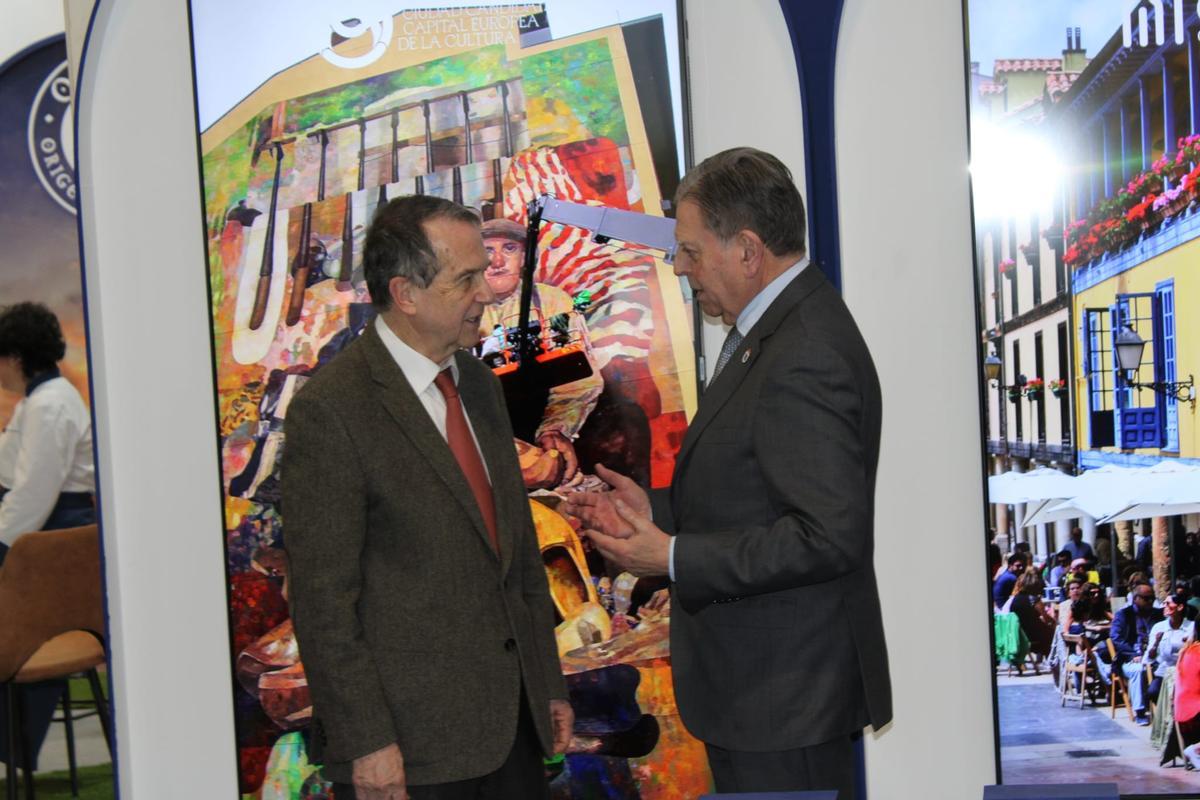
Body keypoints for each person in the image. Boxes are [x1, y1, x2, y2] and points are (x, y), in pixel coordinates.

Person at [564, 147, 890, 798]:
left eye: (689, 251)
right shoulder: (778, 333)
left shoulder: (804, 351)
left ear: (746, 250)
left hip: (784, 703)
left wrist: (672, 555)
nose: (679, 267)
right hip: (767, 698)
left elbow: (828, 536)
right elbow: (749, 492)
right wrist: (651, 512)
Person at [281, 196, 572, 800]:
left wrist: (547, 686)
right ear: (405, 293)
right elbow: (323, 601)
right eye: (465, 279)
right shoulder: (332, 410)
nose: (486, 293)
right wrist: (366, 741)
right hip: (409, 755)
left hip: (514, 734)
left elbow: (517, 556)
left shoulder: (480, 387)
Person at [0, 302, 96, 770]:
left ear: (15, 357)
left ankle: (10, 746)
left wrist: (2, 546)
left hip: (55, 543)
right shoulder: (39, 401)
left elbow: (34, 494)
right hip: (45, 530)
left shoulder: (50, 404)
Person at [476, 217, 602, 482]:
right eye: (487, 250)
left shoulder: (552, 303)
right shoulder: (458, 310)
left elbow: (576, 382)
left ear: (524, 257)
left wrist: (554, 430)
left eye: (509, 248)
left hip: (542, 417)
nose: (497, 261)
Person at [1105, 581, 1163, 725]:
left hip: (1154, 657)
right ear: (1136, 598)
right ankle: (1140, 712)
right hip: (1129, 659)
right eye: (1146, 598)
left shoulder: (1158, 614)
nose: (1150, 601)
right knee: (1138, 670)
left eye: (1152, 598)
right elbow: (1116, 638)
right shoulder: (1124, 615)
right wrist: (1133, 654)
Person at [1146, 593, 1194, 706]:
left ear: (1180, 607)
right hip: (1164, 671)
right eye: (1164, 603)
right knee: (1153, 691)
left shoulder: (1191, 627)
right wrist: (1156, 642)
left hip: (1185, 671)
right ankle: (1166, 713)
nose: (1165, 606)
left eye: (1168, 603)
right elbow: (1150, 657)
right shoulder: (1158, 627)